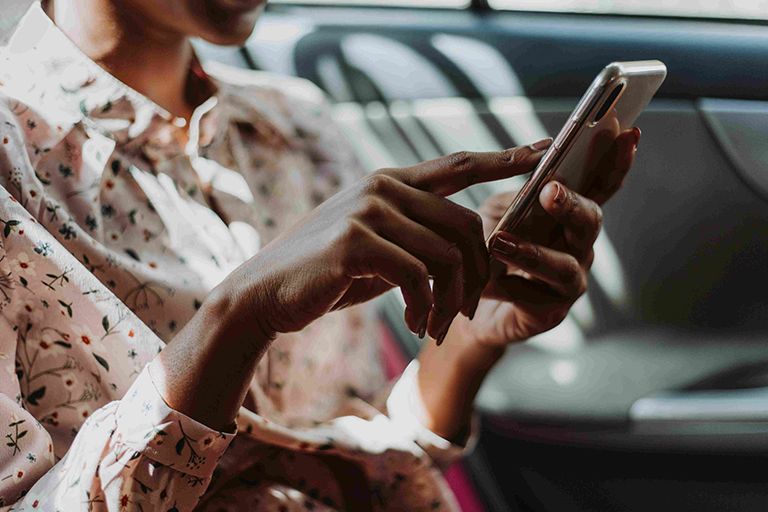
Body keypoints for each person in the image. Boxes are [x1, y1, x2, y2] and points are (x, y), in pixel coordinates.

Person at [0, 0, 640, 510]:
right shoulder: (12, 164)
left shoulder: (299, 124)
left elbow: (363, 448)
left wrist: (470, 340)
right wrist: (240, 318)